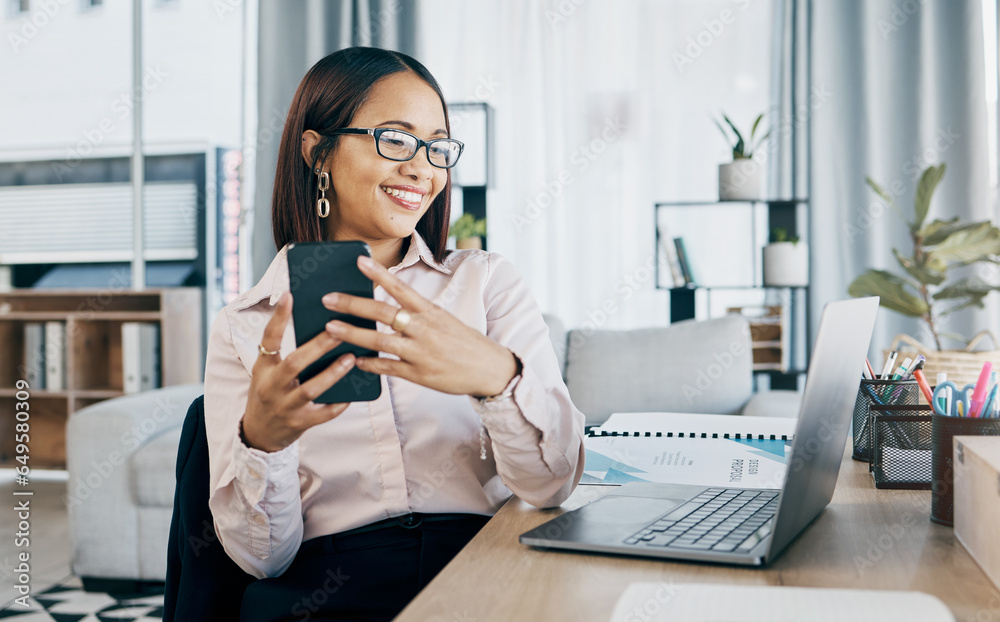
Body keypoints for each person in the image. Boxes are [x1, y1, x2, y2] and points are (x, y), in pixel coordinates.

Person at [204, 47, 585, 620]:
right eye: (396, 139)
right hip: (329, 589)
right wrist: (264, 442)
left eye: (437, 147)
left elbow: (549, 487)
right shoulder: (248, 323)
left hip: (480, 565)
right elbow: (264, 560)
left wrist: (495, 378)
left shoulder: (485, 284)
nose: (422, 168)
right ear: (317, 152)